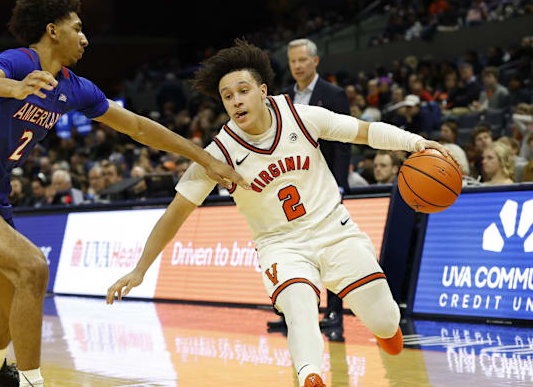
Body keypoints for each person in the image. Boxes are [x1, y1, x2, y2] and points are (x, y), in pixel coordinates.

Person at [0, 0, 246, 387]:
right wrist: (14, 87)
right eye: (78, 28)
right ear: (52, 31)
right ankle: (33, 381)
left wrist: (205, 158)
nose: (85, 38)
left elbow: (139, 127)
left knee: (13, 293)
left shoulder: (76, 88)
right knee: (33, 267)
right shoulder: (22, 62)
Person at [106, 40, 454, 387]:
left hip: (334, 229)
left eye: (243, 91)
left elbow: (363, 132)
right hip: (281, 245)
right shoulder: (218, 154)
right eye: (227, 96)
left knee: (383, 319)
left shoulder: (301, 116)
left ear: (262, 91)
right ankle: (310, 377)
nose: (236, 100)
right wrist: (140, 269)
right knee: (299, 306)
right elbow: (175, 213)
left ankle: (385, 328)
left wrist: (415, 143)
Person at [281, 38, 351, 332]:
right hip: (293, 187)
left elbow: (343, 142)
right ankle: (295, 315)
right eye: (292, 61)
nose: (297, 66)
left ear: (315, 61)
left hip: (324, 186)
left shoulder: (333, 94)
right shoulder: (283, 99)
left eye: (302, 60)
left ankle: (334, 311)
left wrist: (340, 184)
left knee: (331, 248)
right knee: (294, 251)